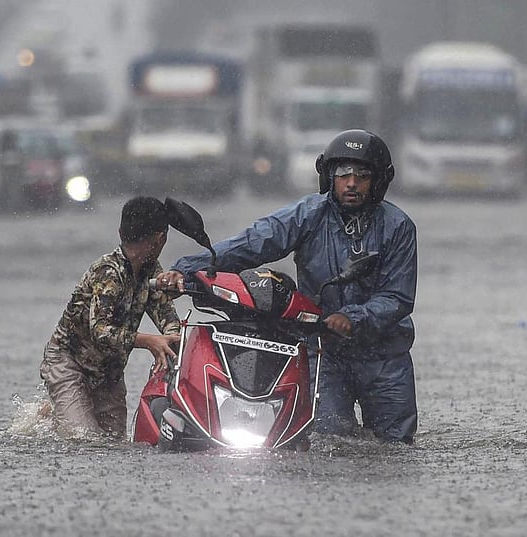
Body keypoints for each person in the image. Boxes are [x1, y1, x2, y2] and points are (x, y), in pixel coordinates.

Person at [158, 130, 418, 444]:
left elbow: (397, 297)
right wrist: (184, 271)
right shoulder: (308, 215)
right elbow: (253, 243)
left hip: (385, 357)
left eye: (362, 175)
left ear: (378, 181)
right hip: (324, 351)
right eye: (343, 174)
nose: (351, 183)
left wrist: (353, 318)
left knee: (396, 448)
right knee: (327, 441)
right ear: (328, 177)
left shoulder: (399, 226)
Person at [40, 196, 181, 438]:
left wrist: (174, 338)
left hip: (109, 373)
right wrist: (149, 341)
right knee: (84, 439)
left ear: (121, 231)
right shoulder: (109, 273)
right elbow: (101, 331)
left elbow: (165, 315)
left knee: (112, 444)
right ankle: (55, 410)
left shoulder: (151, 271)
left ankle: (61, 411)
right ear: (161, 239)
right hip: (69, 362)